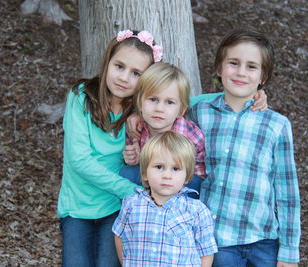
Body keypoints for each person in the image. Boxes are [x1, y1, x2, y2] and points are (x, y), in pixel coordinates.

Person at [189, 28, 301, 267]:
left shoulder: (277, 125)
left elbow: (287, 193)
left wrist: (289, 251)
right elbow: (170, 104)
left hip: (263, 241)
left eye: (251, 66)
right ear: (219, 68)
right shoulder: (200, 113)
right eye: (233, 63)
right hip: (218, 241)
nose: (241, 72)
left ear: (263, 77)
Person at [57, 29, 163, 267]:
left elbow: (181, 99)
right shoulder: (81, 97)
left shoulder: (141, 109)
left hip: (116, 209)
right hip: (77, 209)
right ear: (107, 62)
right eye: (119, 66)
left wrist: (251, 96)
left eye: (136, 73)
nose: (124, 77)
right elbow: (80, 161)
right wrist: (131, 191)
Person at [112, 131, 218, 266]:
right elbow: (119, 236)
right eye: (159, 167)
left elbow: (206, 252)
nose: (167, 175)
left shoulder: (197, 211)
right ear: (144, 173)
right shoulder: (132, 204)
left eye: (175, 168)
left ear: (187, 176)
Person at [120, 62, 207, 198]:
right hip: (152, 176)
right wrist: (132, 158)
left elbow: (201, 166)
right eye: (153, 99)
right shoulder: (137, 128)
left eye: (169, 102)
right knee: (127, 173)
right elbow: (135, 159)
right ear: (140, 104)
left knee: (194, 183)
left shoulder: (190, 135)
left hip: (185, 181)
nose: (159, 108)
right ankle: (139, 210)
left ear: (181, 111)